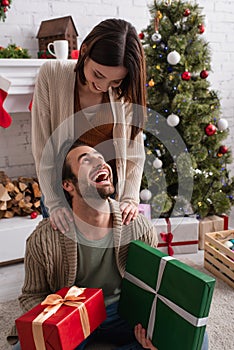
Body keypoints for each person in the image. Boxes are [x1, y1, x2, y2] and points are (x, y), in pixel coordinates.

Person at [9, 142, 158, 350]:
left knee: (192, 340)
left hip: (123, 312)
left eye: (100, 158)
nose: (100, 163)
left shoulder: (137, 226)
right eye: (86, 160)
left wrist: (154, 336)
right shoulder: (43, 239)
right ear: (68, 185)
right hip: (72, 318)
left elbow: (156, 290)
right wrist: (54, 323)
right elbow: (31, 296)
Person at [31, 18, 147, 233]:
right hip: (63, 195)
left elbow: (134, 152)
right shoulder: (52, 75)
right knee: (62, 261)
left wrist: (130, 197)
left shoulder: (125, 92)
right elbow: (43, 148)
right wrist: (55, 203)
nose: (103, 86)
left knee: (106, 262)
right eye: (98, 74)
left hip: (107, 194)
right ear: (84, 50)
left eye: (115, 81)